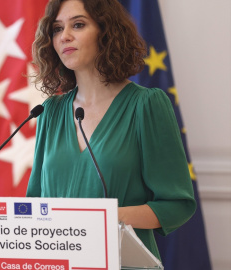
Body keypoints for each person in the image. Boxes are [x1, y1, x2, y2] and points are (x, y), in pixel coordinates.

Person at [26, 0, 196, 261]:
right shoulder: (49, 112)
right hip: (58, 262)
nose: (65, 36)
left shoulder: (146, 105)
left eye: (78, 25)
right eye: (57, 29)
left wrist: (107, 220)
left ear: (106, 32)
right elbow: (36, 202)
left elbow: (177, 204)